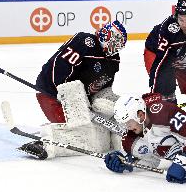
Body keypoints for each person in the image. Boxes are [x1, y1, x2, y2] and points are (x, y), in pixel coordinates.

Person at [18, 20, 127, 159]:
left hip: (82, 103)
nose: (116, 47)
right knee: (80, 130)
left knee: (98, 132)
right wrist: (65, 96)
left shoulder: (114, 60)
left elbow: (104, 88)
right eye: (114, 41)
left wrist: (99, 106)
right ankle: (46, 143)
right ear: (106, 34)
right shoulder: (86, 42)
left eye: (119, 45)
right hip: (51, 93)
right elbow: (59, 67)